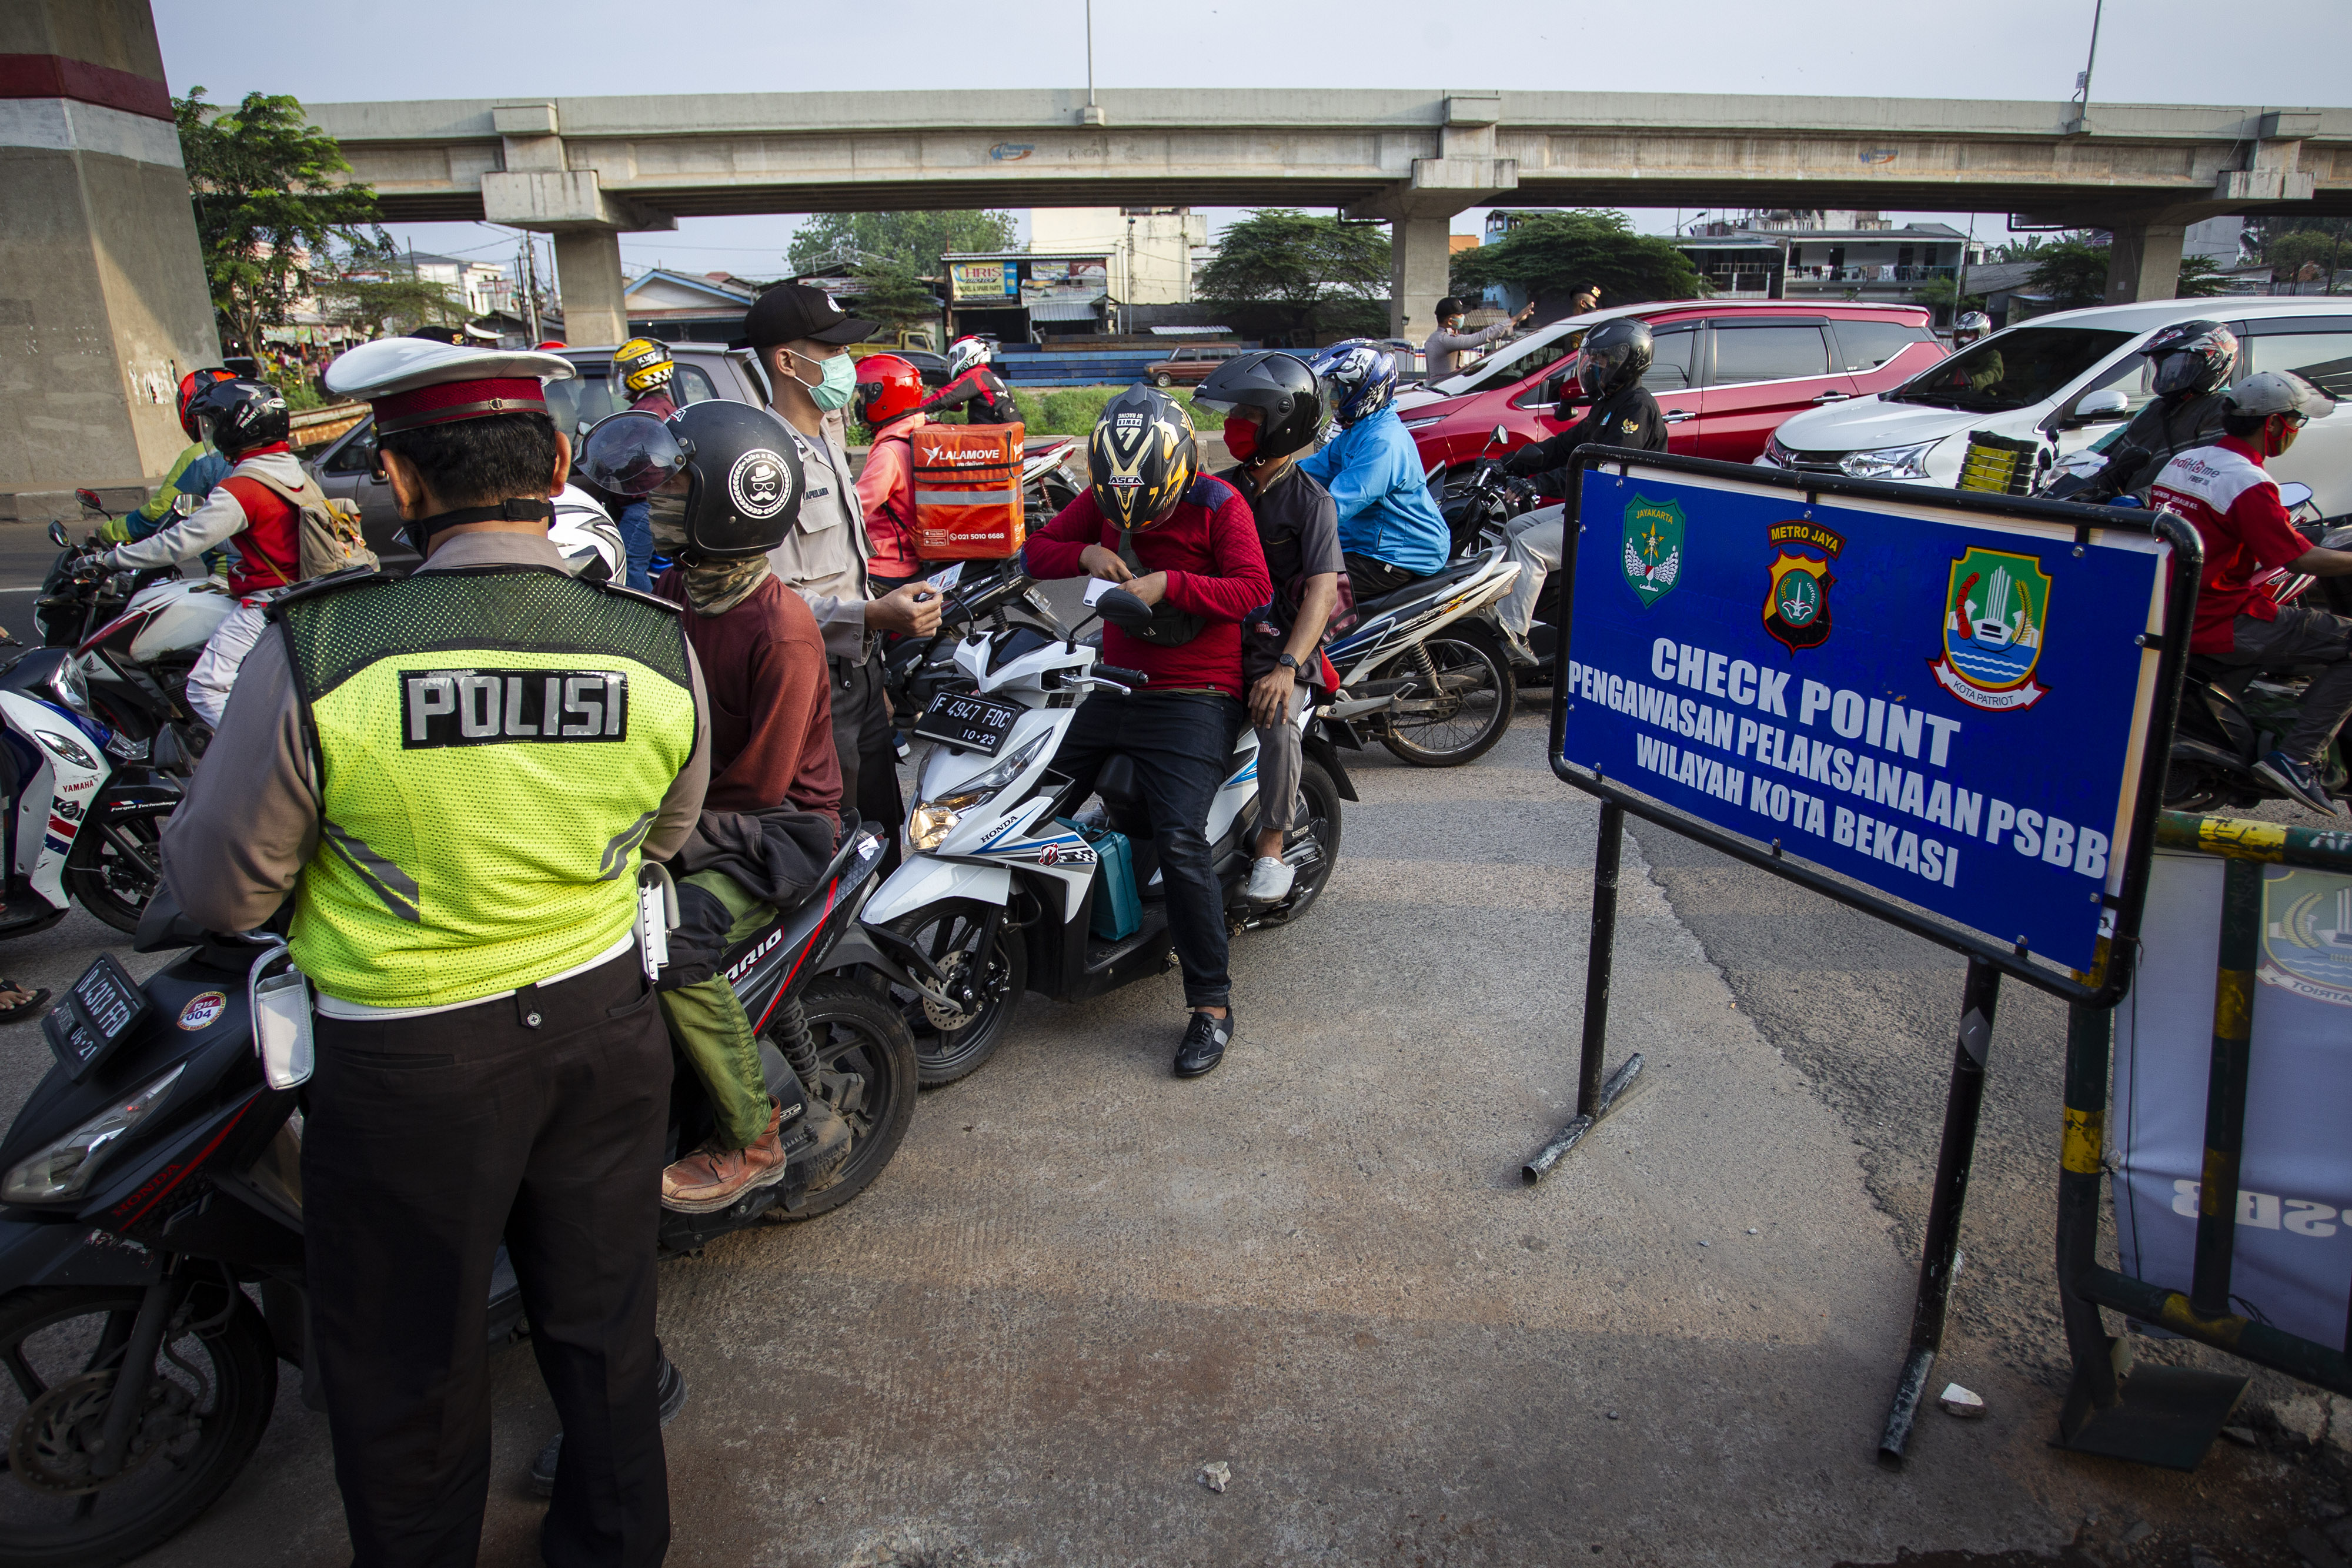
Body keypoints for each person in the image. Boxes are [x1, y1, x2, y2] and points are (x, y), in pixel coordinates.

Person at [158, 336, 709, 1565]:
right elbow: (666, 830)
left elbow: (220, 886)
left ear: (399, 484)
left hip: (410, 1064)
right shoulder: (653, 640)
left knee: (407, 1353)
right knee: (603, 1322)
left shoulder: (318, 646)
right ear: (560, 459)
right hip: (609, 1031)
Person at [1023, 386, 1272, 1078]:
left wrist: (1170, 582)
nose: (1133, 517)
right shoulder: (1104, 496)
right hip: (1112, 685)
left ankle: (1212, 1007)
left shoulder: (1221, 503)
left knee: (1179, 838)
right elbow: (1034, 550)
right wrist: (1084, 558)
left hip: (1196, 695)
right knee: (1033, 802)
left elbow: (1254, 590)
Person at [744, 284, 943, 872]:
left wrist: (873, 643)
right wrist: (874, 616)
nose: (844, 366)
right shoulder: (762, 460)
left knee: (882, 834)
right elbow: (765, 601)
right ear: (787, 361)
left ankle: (881, 959)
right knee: (834, 844)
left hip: (858, 673)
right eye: (828, 350)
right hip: (807, 681)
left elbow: (844, 573)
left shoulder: (829, 440)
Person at [2150, 370, 2350, 815]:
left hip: (2172, 607)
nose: (2296, 433)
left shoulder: (2184, 461)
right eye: (2296, 423)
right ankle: (2297, 759)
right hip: (2220, 619)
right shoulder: (2250, 483)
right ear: (2276, 424)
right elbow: (2300, 560)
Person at [1194, 350, 1346, 905]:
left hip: (1277, 644)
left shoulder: (1313, 504)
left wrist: (1287, 667)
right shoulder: (1219, 489)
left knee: (1277, 721)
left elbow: (1322, 593)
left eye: (1249, 416)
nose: (1235, 425)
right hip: (1217, 636)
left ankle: (1273, 846)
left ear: (1281, 423)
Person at [1493, 317, 1672, 667]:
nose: (1595, 368)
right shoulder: (1609, 403)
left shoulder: (1636, 407)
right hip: (1591, 506)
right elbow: (1566, 446)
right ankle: (1502, 615)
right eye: (1595, 360)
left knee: (1530, 548)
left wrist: (1538, 485)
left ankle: (1510, 639)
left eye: (1603, 360)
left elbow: (1598, 468)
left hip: (1619, 517)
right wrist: (1512, 463)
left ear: (1628, 361)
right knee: (1513, 529)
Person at [93, 378, 308, 596]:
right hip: (297, 590)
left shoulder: (243, 489)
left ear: (236, 427)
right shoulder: (297, 473)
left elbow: (179, 541)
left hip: (263, 596)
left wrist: (108, 559)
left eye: (216, 424)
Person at [1297, 341, 1452, 604]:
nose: (1333, 396)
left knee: (1302, 590)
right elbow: (1312, 470)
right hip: (1365, 541)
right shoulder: (1359, 429)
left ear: (1366, 391)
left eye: (1340, 389)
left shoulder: (1382, 441)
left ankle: (1311, 647)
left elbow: (1337, 506)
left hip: (1397, 554)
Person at [2069, 319, 2239, 503]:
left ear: (2214, 362)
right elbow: (2115, 469)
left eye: (2176, 366)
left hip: (2178, 520)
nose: (2168, 375)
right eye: (2161, 366)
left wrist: (2141, 498)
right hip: (2133, 519)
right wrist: (2078, 491)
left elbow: (2201, 477)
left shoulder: (2221, 410)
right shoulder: (2155, 410)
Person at [103, 367, 236, 544]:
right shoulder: (265, 450)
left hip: (229, 565)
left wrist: (107, 532)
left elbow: (159, 514)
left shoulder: (201, 456)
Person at [850, 352, 934, 594]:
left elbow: (854, 509)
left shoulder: (889, 453)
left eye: (864, 394)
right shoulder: (915, 437)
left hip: (885, 564)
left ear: (881, 396)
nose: (860, 402)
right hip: (908, 557)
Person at [607, 339, 679, 590]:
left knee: (626, 565)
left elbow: (628, 458)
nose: (621, 379)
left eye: (625, 373)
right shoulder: (663, 405)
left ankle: (650, 622)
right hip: (662, 500)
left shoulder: (643, 414)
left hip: (643, 503)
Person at [1422, 295, 1535, 379]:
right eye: (1460, 315)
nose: (1463, 317)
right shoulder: (1444, 340)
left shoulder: (1434, 338)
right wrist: (1514, 319)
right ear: (1451, 321)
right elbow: (1481, 336)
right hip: (1444, 392)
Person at [923, 334, 1020, 424]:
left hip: (988, 434)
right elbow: (957, 402)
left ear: (968, 353)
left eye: (955, 357)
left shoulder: (976, 375)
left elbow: (945, 396)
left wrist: (914, 409)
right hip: (999, 431)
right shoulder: (990, 376)